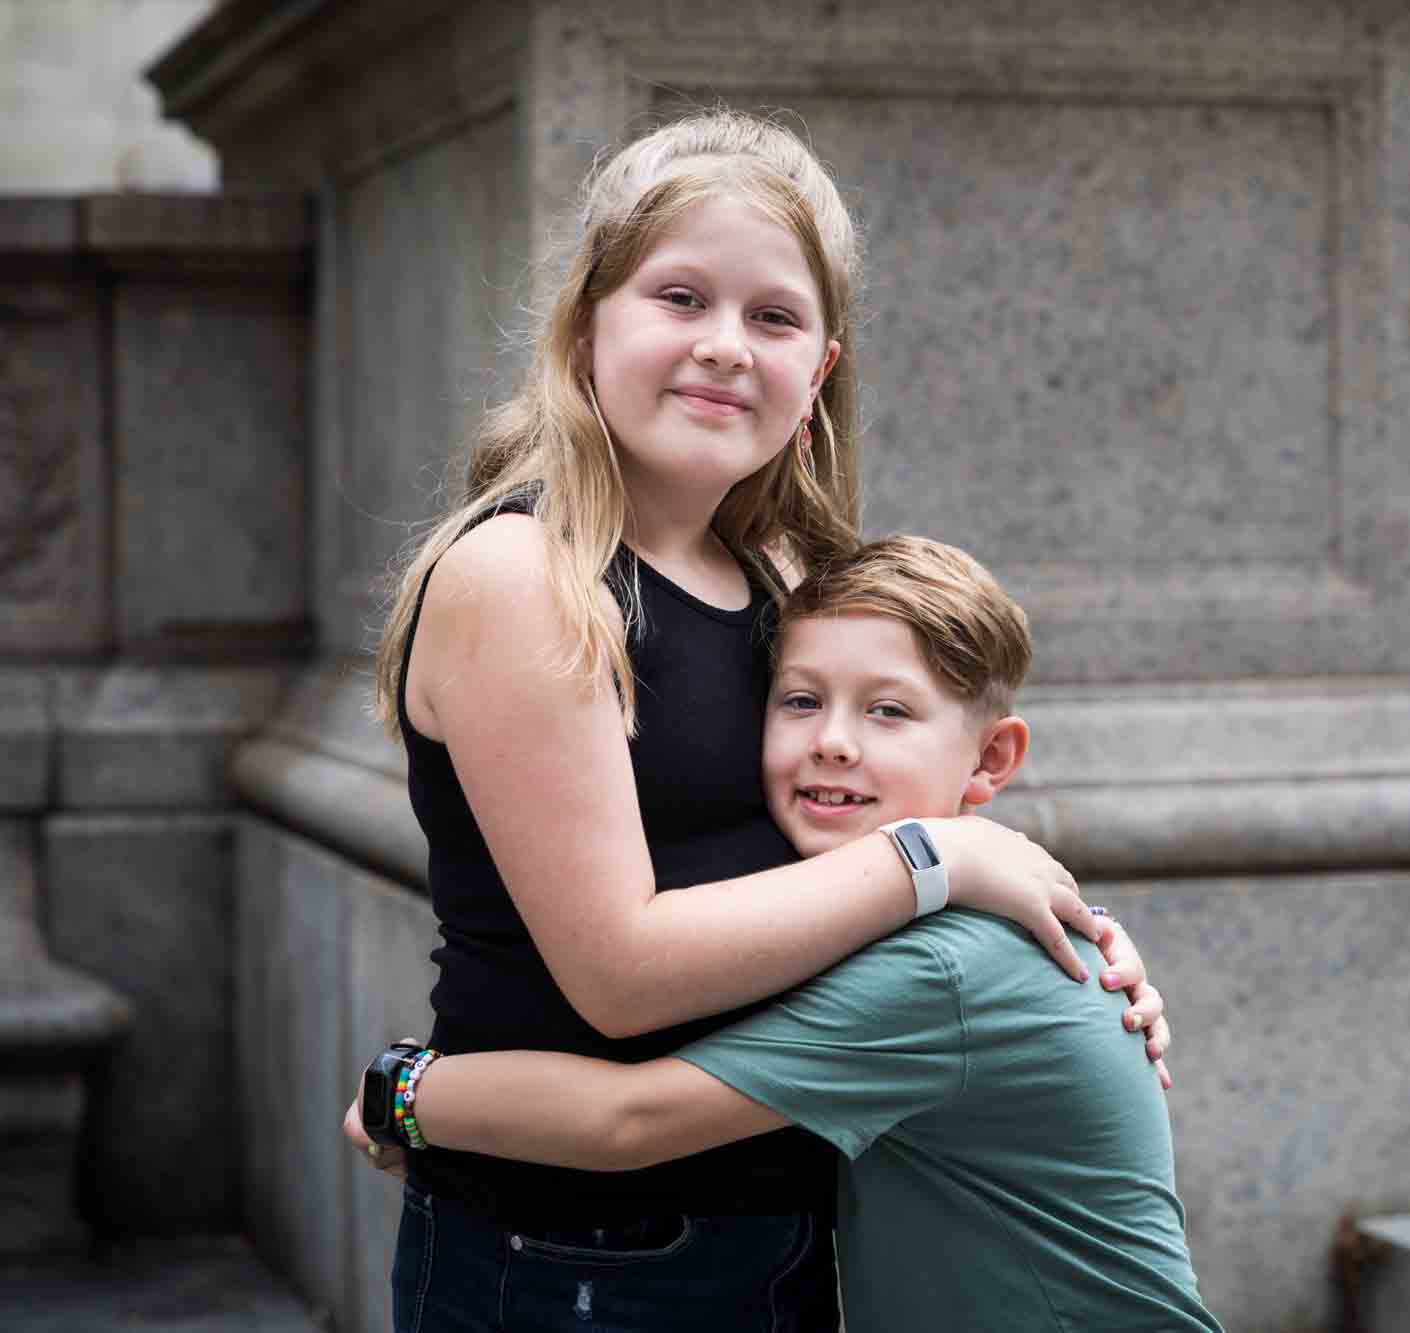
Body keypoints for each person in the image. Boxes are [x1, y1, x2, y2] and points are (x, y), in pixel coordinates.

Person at [367, 110, 1168, 1331]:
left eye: (773, 317)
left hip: (786, 1226)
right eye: (679, 298)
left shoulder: (784, 575)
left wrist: (1074, 950)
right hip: (576, 1250)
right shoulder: (528, 575)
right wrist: (937, 862)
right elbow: (621, 973)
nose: (725, 347)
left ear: (821, 369)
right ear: (584, 329)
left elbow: (868, 831)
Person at [350, 537, 1220, 1332]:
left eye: (888, 712)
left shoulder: (940, 969)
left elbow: (630, 1119)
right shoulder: (901, 920)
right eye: (800, 700)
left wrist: (403, 1095)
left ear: (992, 759)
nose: (833, 742)